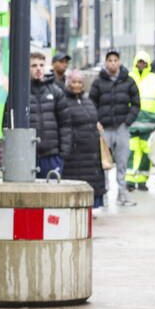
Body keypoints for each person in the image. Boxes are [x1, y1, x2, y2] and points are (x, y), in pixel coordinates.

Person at [89, 50, 140, 207]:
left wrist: (127, 122)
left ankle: (123, 194)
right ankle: (103, 195)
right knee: (103, 162)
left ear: (119, 62)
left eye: (115, 60)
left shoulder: (129, 81)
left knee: (122, 162)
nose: (112, 63)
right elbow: (91, 104)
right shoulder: (98, 82)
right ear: (106, 63)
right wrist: (96, 121)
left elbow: (136, 104)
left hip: (121, 127)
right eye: (109, 60)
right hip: (104, 128)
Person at [62, 70, 107, 208]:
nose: (77, 85)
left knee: (92, 180)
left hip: (92, 151)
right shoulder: (64, 102)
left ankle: (91, 206)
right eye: (74, 82)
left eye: (80, 82)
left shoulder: (87, 101)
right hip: (76, 152)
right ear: (68, 83)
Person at [25, 52, 71, 179]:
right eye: (34, 65)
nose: (38, 68)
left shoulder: (56, 91)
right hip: (27, 156)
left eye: (41, 65)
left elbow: (65, 124)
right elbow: (7, 123)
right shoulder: (20, 93)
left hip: (52, 156)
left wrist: (62, 155)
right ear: (27, 68)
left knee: (52, 196)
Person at [126, 51, 155, 191]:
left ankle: (142, 180)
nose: (141, 65)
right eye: (139, 62)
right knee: (131, 150)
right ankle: (129, 180)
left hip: (149, 123)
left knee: (145, 152)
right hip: (131, 121)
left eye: (143, 62)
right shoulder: (128, 78)